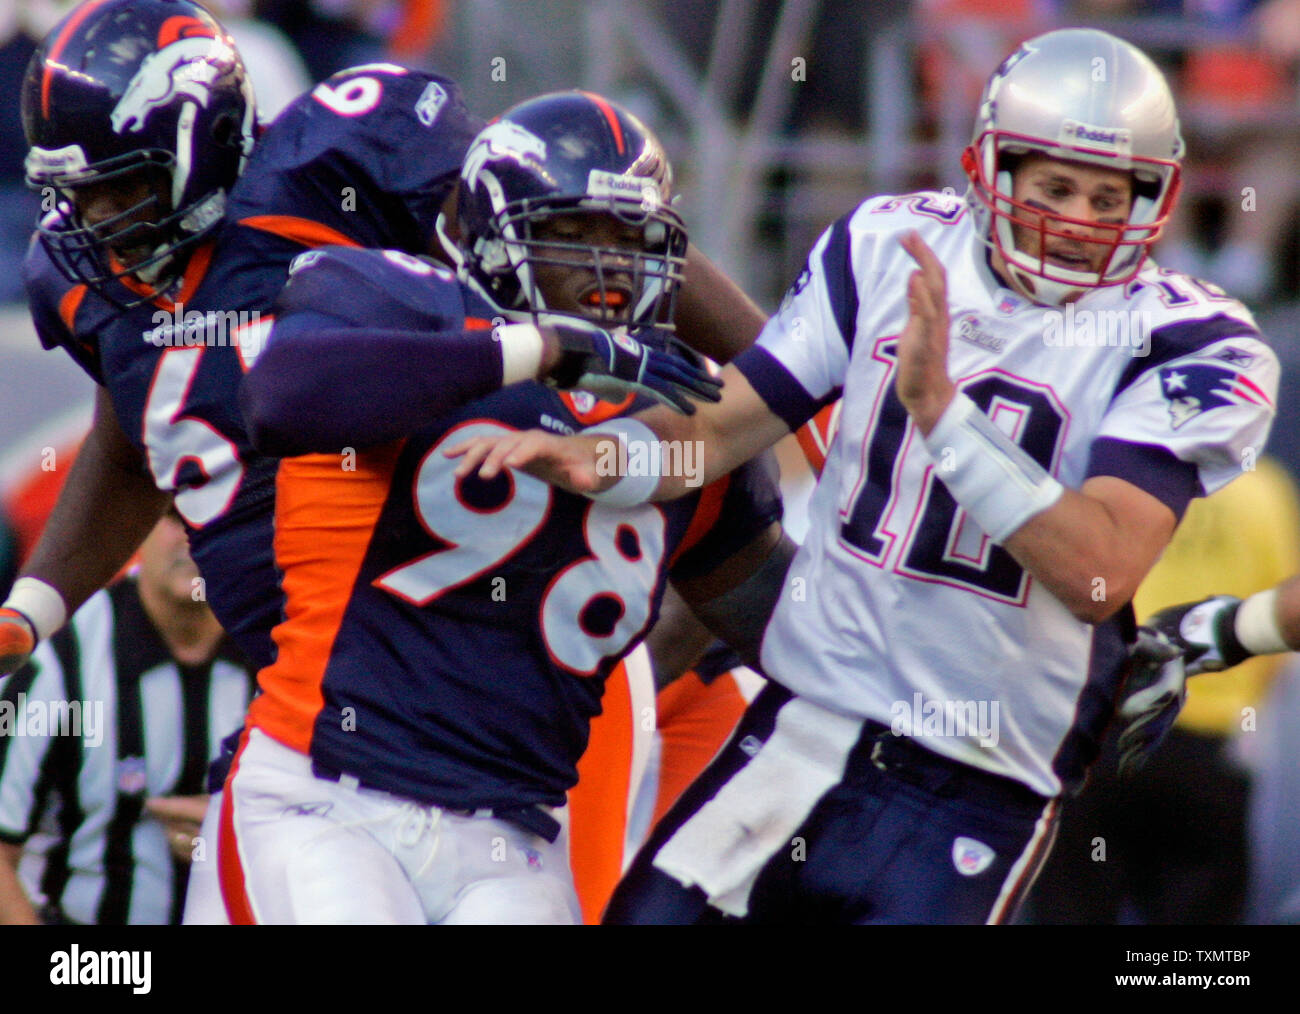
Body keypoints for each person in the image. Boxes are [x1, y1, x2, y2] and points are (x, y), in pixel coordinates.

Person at [449, 27, 1280, 924]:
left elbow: (1099, 572)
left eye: (1104, 195)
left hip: (984, 774)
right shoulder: (890, 246)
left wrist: (944, 417)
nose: (1075, 220)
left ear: (1154, 198)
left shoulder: (1188, 339)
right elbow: (731, 423)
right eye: (1053, 187)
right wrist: (613, 458)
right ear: (990, 168)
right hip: (807, 723)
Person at [217, 91, 790, 924]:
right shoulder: (402, 302)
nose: (607, 269)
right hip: (325, 799)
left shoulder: (686, 414)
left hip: (515, 839)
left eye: (630, 239)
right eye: (574, 233)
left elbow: (788, 625)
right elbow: (281, 396)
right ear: (490, 232)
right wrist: (542, 353)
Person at [0, 508, 256, 924]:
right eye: (176, 515)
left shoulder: (286, 650)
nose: (194, 535)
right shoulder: (58, 661)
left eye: (216, 511)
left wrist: (242, 834)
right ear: (136, 525)